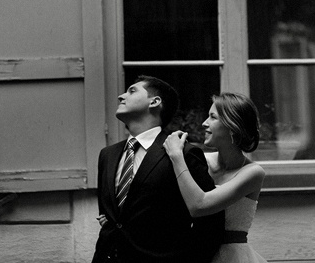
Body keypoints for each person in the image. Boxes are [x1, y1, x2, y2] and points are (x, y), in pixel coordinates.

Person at [92, 75, 224, 263]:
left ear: (154, 102)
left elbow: (211, 223)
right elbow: (111, 217)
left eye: (132, 91)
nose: (121, 96)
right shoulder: (107, 155)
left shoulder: (183, 153)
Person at [163, 92, 267, 263]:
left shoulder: (253, 173)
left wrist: (176, 156)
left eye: (213, 117)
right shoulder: (201, 162)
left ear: (232, 126)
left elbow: (199, 205)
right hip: (195, 252)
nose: (204, 123)